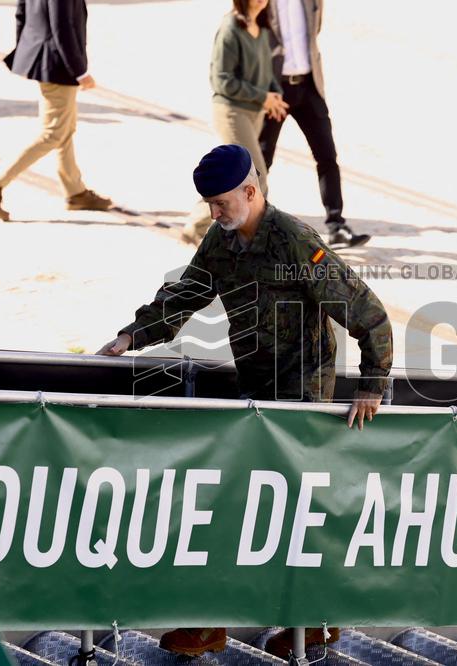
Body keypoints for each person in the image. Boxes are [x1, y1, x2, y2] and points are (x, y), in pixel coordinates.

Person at [96, 145, 392, 656]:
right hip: (255, 389)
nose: (213, 213)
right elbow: (184, 295)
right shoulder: (220, 242)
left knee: (291, 514)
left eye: (220, 203)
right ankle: (216, 623)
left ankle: (312, 626)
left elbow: (367, 311)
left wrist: (372, 383)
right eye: (208, 204)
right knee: (238, 506)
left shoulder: (295, 242)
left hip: (302, 397)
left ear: (250, 192)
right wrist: (132, 335)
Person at [0, 0, 112, 222]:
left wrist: (27, 48)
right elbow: (62, 27)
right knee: (53, 132)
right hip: (57, 63)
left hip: (45, 56)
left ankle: (75, 192)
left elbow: (21, 12)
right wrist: (80, 72)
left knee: (65, 128)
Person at [258, 0, 369, 248]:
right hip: (275, 89)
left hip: (309, 86)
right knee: (261, 161)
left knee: (327, 155)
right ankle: (253, 228)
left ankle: (337, 225)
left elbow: (313, 32)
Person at [181, 0, 289, 245]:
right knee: (255, 176)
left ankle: (196, 225)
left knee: (236, 177)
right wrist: (263, 96)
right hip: (232, 111)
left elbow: (267, 71)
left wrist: (274, 94)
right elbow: (221, 80)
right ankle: (255, 239)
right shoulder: (230, 27)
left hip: (254, 113)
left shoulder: (261, 27)